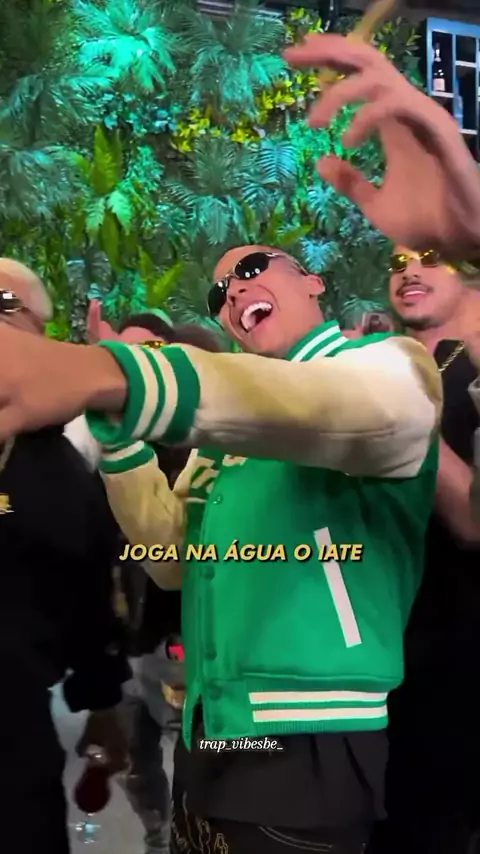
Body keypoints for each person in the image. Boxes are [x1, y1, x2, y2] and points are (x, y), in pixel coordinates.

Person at [0, 260, 130, 854]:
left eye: (4, 305)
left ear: (41, 334)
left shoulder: (57, 466)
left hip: (14, 737)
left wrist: (103, 707)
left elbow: (93, 595)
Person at [367, 248, 480, 854]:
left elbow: (472, 523)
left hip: (456, 653)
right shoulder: (381, 366)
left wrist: (412, 422)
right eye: (399, 261)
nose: (409, 271)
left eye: (431, 257)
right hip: (373, 652)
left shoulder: (469, 369)